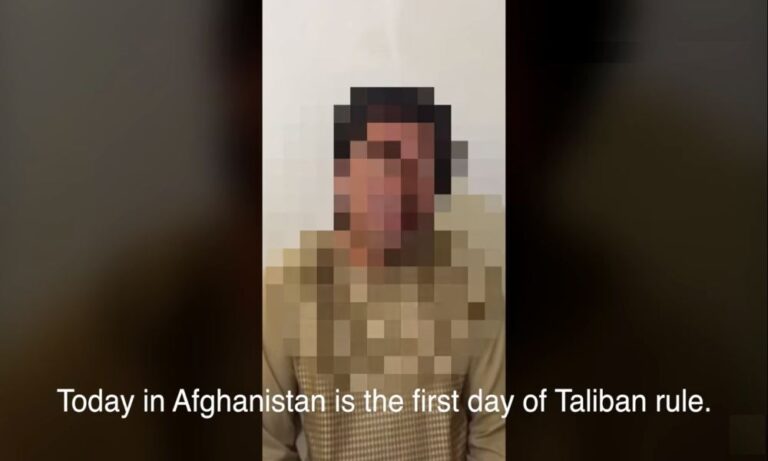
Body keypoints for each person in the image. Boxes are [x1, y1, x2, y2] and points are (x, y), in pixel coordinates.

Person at [262, 87, 506, 460]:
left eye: (419, 169)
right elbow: (267, 441)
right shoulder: (286, 288)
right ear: (344, 173)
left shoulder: (476, 290)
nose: (399, 186)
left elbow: (496, 437)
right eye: (383, 159)